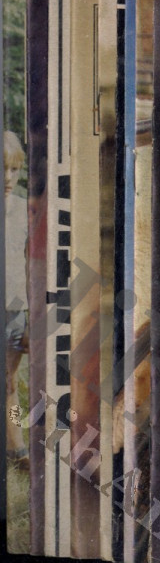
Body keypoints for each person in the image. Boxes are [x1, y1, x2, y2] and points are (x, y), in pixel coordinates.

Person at [4, 130, 30, 472]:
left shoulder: (24, 211)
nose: (9, 178)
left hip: (14, 313)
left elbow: (31, 268)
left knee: (9, 384)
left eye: (14, 169)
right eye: (2, 169)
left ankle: (18, 448)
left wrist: (31, 320)